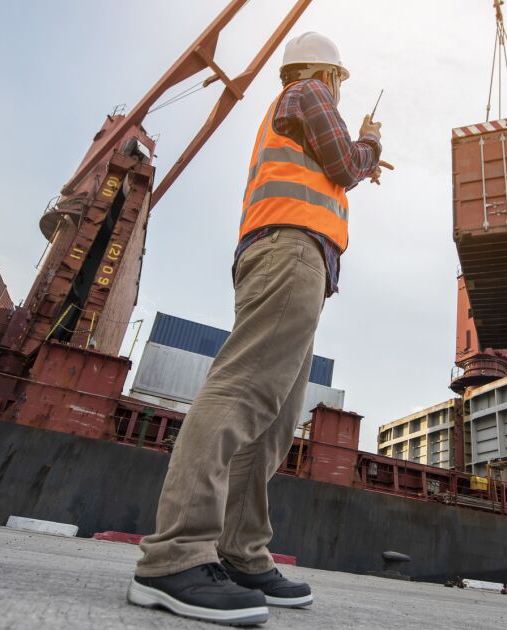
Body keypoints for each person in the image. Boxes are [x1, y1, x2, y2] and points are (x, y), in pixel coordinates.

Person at [127, 32, 390, 625]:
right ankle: (175, 557)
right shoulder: (308, 90)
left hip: (302, 263)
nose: (341, 90)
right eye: (341, 81)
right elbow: (347, 166)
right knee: (242, 392)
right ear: (331, 74)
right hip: (289, 253)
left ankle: (239, 551)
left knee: (274, 420)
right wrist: (370, 144)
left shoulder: (298, 105)